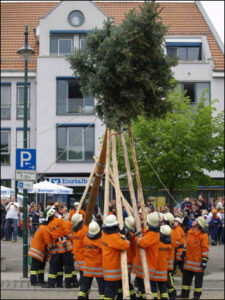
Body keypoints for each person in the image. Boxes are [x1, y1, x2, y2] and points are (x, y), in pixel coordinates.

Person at [42, 207, 74, 288]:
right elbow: (67, 231)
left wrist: (51, 248)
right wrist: (73, 239)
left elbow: (48, 241)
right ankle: (68, 284)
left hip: (56, 250)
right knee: (68, 266)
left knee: (55, 267)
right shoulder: (60, 220)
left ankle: (52, 283)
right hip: (66, 247)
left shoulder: (48, 227)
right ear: (53, 215)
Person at [179, 217, 209, 299]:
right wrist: (184, 252)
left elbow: (205, 249)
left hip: (198, 264)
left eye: (196, 221)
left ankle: (196, 296)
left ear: (198, 225)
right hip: (188, 263)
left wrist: (204, 260)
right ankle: (184, 294)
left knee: (198, 283)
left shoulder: (203, 236)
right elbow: (186, 244)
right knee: (186, 281)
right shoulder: (190, 232)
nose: (193, 221)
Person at [101, 214, 130, 300]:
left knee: (109, 292)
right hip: (113, 271)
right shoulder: (113, 238)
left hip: (106, 268)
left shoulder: (103, 234)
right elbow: (125, 245)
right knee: (111, 293)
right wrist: (126, 238)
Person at [134, 212, 160, 299]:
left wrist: (135, 237)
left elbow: (142, 243)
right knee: (140, 283)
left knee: (147, 285)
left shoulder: (153, 234)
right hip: (144, 263)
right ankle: (142, 296)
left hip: (148, 264)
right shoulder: (151, 232)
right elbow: (145, 233)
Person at [78, 221, 104, 299]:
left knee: (84, 287)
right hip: (98, 267)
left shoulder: (86, 239)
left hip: (88, 267)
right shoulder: (100, 240)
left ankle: (81, 298)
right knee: (102, 287)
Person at [150, 225, 172, 300]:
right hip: (163, 271)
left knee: (153, 290)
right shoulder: (169, 245)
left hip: (154, 270)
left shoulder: (156, 243)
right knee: (163, 290)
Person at [28, 217, 52, 286]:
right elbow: (48, 242)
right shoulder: (45, 229)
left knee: (40, 266)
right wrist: (52, 249)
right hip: (38, 251)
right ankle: (34, 281)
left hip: (37, 250)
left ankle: (40, 280)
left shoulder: (41, 227)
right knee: (35, 267)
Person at [163, 213, 177, 300]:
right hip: (166, 258)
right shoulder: (169, 230)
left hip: (169, 259)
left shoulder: (170, 232)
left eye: (163, 220)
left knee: (169, 278)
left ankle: (173, 294)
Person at [71, 213, 89, 287]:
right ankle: (83, 284)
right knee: (84, 271)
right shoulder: (84, 229)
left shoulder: (75, 230)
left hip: (78, 254)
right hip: (83, 254)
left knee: (82, 270)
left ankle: (82, 283)